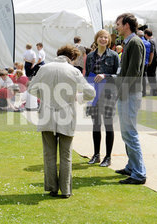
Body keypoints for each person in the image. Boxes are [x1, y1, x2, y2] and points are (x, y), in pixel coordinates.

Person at [28, 45, 95, 198]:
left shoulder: (44, 69)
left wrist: (44, 96)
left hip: (47, 115)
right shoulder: (74, 71)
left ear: (59, 54)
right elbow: (90, 92)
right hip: (66, 115)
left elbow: (31, 88)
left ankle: (52, 187)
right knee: (66, 155)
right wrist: (79, 98)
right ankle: (66, 190)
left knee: (49, 154)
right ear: (72, 57)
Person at [115, 13, 147, 185]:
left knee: (130, 133)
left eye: (118, 23)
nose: (116, 26)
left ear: (127, 25)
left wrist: (122, 92)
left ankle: (139, 173)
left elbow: (133, 72)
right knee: (127, 133)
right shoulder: (128, 43)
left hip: (130, 94)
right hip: (126, 93)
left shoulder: (134, 43)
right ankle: (132, 166)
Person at [85, 30, 119, 167]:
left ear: (109, 40)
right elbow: (87, 75)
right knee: (96, 125)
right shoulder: (90, 56)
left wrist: (106, 75)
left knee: (108, 125)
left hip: (109, 94)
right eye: (101, 37)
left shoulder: (114, 56)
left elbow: (119, 75)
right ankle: (96, 154)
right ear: (96, 39)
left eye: (106, 37)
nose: (103, 39)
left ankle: (108, 157)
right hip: (94, 94)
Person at [144, 28, 157, 96]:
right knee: (153, 75)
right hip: (156, 59)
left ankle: (154, 91)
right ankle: (154, 90)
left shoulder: (150, 41)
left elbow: (151, 52)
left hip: (152, 60)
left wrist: (150, 61)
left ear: (146, 34)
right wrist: (156, 54)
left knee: (151, 76)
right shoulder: (156, 39)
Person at [137, 30, 152, 97]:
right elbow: (151, 53)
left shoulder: (137, 42)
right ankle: (144, 92)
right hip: (145, 62)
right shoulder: (148, 43)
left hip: (138, 62)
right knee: (143, 77)